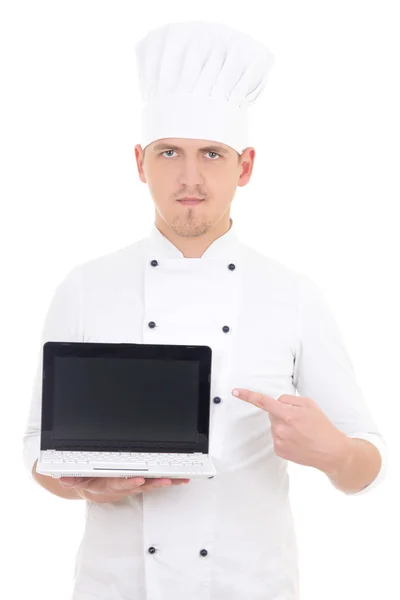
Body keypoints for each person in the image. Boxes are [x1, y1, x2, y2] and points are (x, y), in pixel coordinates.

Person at [22, 20, 387, 600]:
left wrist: (334, 451)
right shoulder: (85, 286)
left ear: (243, 167)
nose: (189, 180)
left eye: (211, 155)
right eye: (170, 152)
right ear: (141, 161)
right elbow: (40, 452)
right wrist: (84, 486)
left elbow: (367, 468)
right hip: (116, 587)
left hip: (250, 586)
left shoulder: (293, 294)